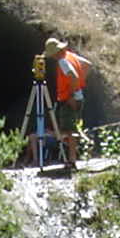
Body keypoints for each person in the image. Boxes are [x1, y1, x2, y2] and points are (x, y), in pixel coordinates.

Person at [43, 37, 89, 170]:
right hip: (78, 96)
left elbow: (73, 75)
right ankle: (75, 155)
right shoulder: (71, 56)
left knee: (69, 131)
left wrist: (72, 94)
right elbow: (87, 65)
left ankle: (72, 161)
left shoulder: (63, 61)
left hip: (69, 99)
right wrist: (79, 86)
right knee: (69, 129)